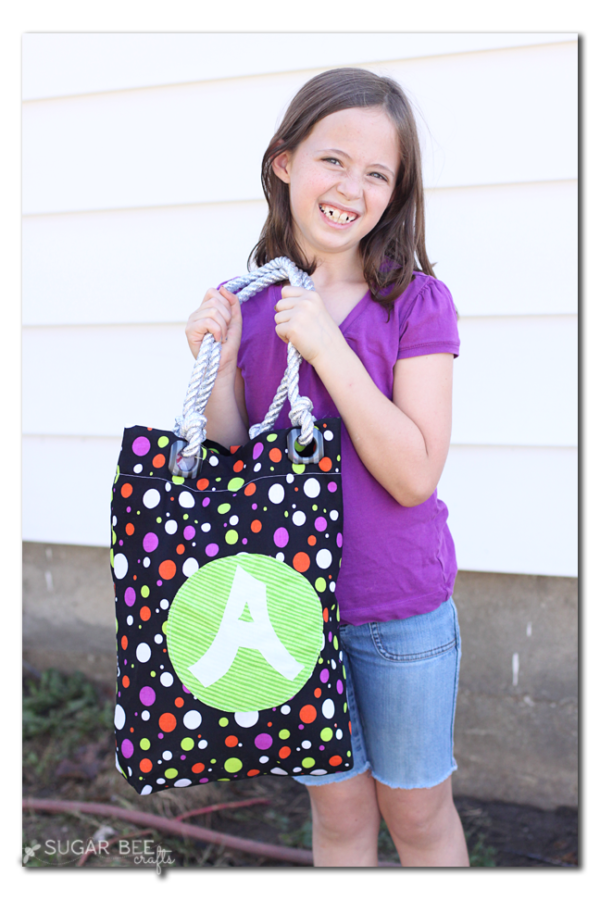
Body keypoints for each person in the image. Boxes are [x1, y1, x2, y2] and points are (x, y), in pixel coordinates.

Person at [184, 68, 469, 867]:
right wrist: (224, 361)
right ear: (285, 163)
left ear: (395, 193)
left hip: (399, 610)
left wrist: (328, 349)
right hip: (288, 611)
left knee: (416, 815)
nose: (352, 187)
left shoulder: (417, 303)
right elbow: (238, 468)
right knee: (339, 817)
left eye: (377, 174)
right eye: (333, 160)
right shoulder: (248, 301)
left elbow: (415, 475)